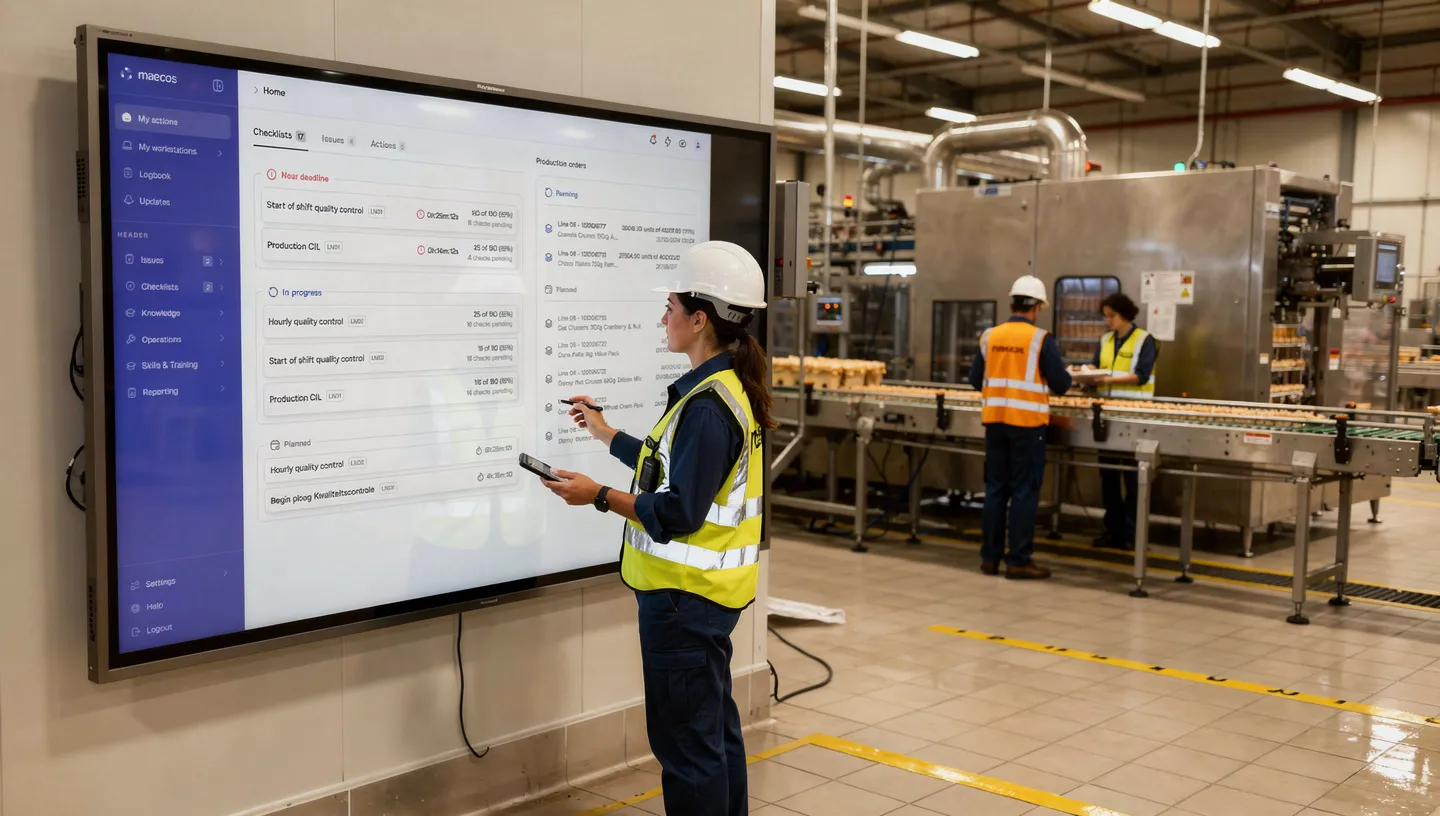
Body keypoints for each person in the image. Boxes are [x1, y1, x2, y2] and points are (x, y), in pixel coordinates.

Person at [540, 240, 771, 816]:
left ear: (699, 320)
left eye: (669, 306)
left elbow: (678, 512)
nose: (661, 318)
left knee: (688, 749)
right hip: (704, 603)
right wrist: (604, 433)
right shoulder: (721, 392)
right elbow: (673, 468)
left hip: (682, 605)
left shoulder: (709, 407)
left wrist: (597, 497)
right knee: (713, 736)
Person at [968, 275, 1072, 579]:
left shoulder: (989, 336)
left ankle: (990, 558)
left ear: (1012, 303)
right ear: (1037, 307)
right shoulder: (1041, 339)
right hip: (1027, 425)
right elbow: (1062, 384)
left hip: (995, 422)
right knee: (1025, 491)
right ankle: (1018, 560)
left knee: (996, 489)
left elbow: (976, 379)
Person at [1090, 292, 1158, 550]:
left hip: (1134, 417)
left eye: (1112, 316)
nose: (1108, 321)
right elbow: (1096, 367)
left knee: (1132, 477)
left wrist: (1107, 379)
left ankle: (1132, 532)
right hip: (1106, 417)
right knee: (1108, 476)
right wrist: (1085, 375)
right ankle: (1114, 530)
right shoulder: (1105, 340)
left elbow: (1141, 375)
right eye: (1105, 316)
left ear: (1125, 315)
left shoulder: (1145, 340)